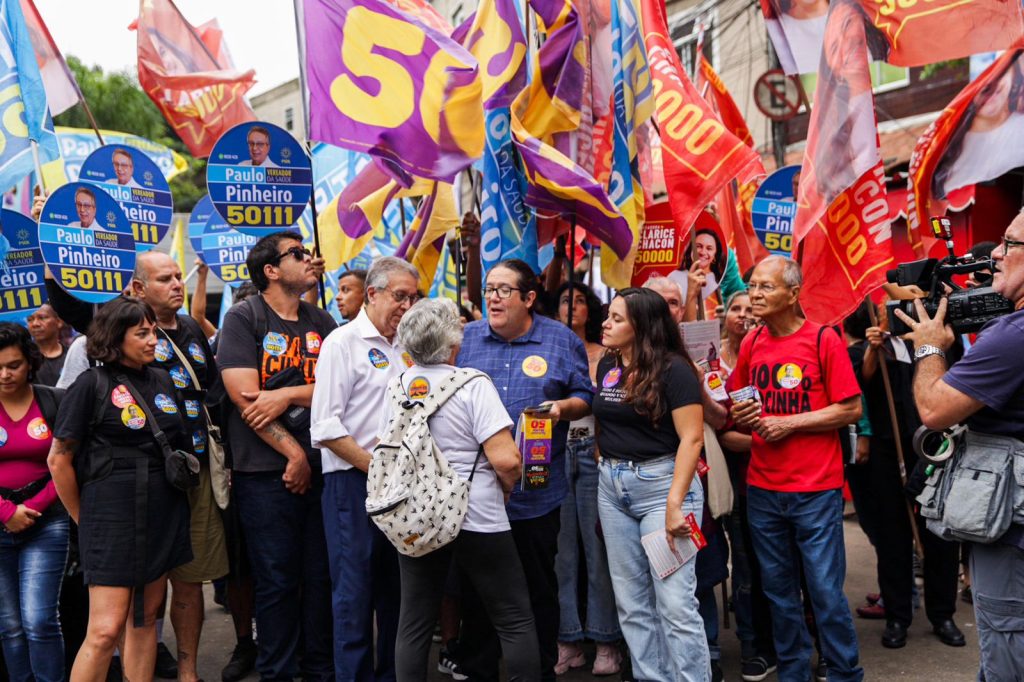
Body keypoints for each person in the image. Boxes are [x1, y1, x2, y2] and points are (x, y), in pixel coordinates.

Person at [47, 250, 229, 682]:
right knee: (106, 629)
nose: (152, 340)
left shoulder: (162, 379)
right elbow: (59, 460)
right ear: (116, 337)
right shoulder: (89, 385)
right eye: (142, 334)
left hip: (163, 511)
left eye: (152, 332)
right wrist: (83, 519)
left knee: (147, 620)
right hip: (109, 517)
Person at [893, 211, 1024, 680]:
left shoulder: (1014, 336)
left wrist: (929, 346)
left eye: (1009, 244)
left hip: (1011, 532)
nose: (994, 254)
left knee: (1007, 644)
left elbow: (933, 409)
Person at [385, 299, 540, 682]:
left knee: (415, 623)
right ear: (454, 341)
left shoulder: (399, 385)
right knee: (514, 618)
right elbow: (506, 460)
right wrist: (506, 489)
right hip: (479, 515)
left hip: (419, 516)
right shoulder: (473, 383)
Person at [456, 259, 592, 682]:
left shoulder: (560, 339)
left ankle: (538, 671)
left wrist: (562, 409)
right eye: (489, 290)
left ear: (529, 298)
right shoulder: (465, 339)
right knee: (476, 593)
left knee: (537, 590)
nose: (492, 298)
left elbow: (584, 395)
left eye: (503, 290)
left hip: (537, 491)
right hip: (476, 496)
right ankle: (478, 670)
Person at [729, 256, 864, 682]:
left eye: (765, 287)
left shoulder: (824, 340)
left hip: (815, 490)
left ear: (793, 293)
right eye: (752, 287)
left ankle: (844, 672)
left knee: (824, 592)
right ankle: (793, 672)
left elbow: (851, 409)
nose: (754, 295)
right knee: (779, 593)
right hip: (763, 490)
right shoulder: (752, 344)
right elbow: (740, 396)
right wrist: (745, 411)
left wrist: (790, 423)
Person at [218, 231, 336, 682]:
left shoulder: (322, 321)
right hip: (265, 475)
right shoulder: (243, 318)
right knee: (277, 581)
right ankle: (278, 671)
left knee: (319, 577)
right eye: (297, 254)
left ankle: (320, 670)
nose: (310, 259)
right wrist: (294, 454)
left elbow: (340, 388)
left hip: (322, 468)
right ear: (270, 270)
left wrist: (286, 393)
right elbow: (247, 398)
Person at [310, 256, 419, 681]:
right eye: (399, 296)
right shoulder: (343, 343)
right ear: (371, 294)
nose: (407, 307)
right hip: (353, 483)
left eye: (413, 297)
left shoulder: (407, 348)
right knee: (354, 596)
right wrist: (378, 468)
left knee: (396, 592)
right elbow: (326, 426)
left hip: (402, 488)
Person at [593, 288, 708, 681]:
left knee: (675, 605)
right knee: (632, 604)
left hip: (663, 490)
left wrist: (676, 504)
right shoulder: (607, 364)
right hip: (612, 489)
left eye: (617, 318)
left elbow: (693, 439)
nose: (605, 323)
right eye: (608, 315)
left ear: (641, 326)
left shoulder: (675, 370)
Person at [854, 303, 965, 649]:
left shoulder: (941, 341)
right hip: (887, 455)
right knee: (892, 539)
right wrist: (874, 349)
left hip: (933, 449)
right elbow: (861, 385)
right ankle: (898, 616)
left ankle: (942, 614)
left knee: (940, 536)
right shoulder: (872, 347)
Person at [552, 282, 621, 676]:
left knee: (599, 552)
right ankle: (567, 639)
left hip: (597, 456)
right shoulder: (550, 351)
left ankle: (605, 639)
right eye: (564, 299)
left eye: (580, 300)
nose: (572, 306)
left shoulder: (608, 355)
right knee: (563, 555)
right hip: (559, 454)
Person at [717, 292, 779, 682]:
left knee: (780, 568)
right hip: (732, 480)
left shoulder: (772, 352)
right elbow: (723, 432)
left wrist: (775, 435)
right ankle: (753, 646)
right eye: (735, 309)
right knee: (744, 569)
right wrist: (768, 437)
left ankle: (786, 641)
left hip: (778, 479)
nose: (744, 315)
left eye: (749, 309)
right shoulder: (709, 359)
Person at [0, 323, 67, 682]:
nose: (4, 374)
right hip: (1, 521)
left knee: (40, 619)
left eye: (13, 365)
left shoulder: (52, 400)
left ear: (29, 362)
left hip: (47, 522)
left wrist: (34, 508)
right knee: (9, 625)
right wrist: (7, 512)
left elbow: (68, 462)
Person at [26, 305, 67, 388]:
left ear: (59, 322)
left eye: (42, 318)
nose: (35, 324)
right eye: (30, 319)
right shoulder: (25, 358)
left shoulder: (71, 356)